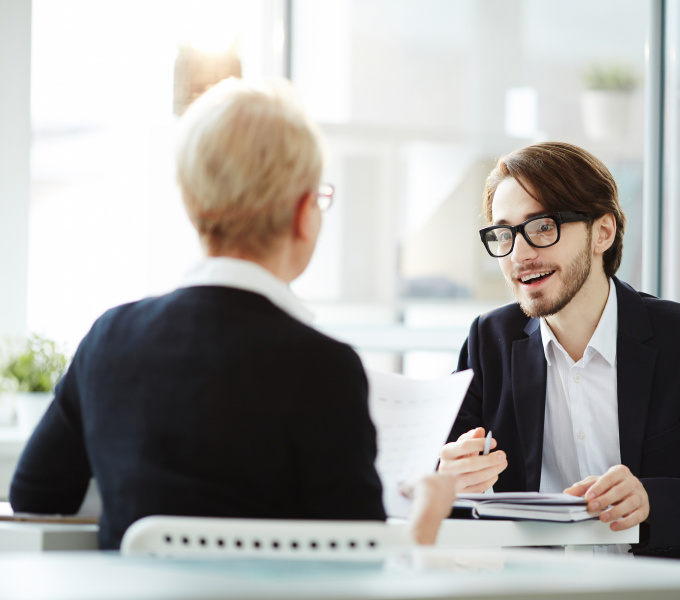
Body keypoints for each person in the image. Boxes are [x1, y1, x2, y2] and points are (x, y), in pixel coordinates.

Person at [10, 77, 454, 550]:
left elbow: (36, 494)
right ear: (306, 212)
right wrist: (426, 517)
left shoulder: (108, 338)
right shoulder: (324, 367)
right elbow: (358, 566)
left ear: (191, 203)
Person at [438, 141, 680, 564]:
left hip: (675, 591)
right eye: (504, 233)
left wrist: (651, 500)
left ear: (603, 232)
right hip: (539, 590)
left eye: (543, 226)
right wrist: (449, 482)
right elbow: (450, 506)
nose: (519, 254)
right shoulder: (487, 341)